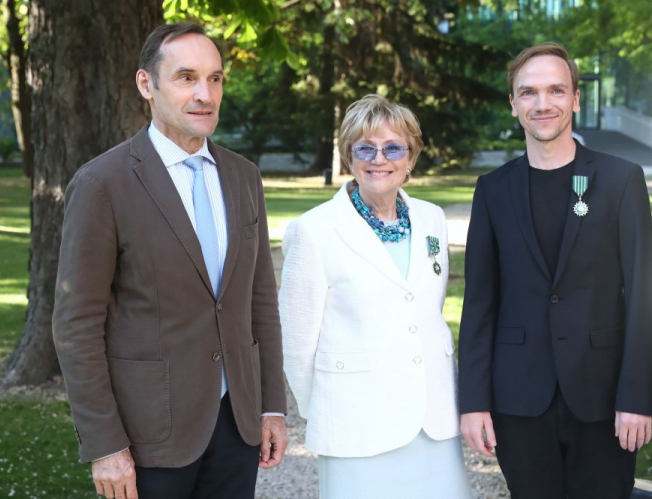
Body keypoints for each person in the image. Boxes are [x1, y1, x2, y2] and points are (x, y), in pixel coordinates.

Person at [52, 23, 288, 499]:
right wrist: (105, 446)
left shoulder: (244, 177)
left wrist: (272, 407)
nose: (205, 94)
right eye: (186, 78)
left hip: (236, 427)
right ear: (147, 84)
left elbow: (259, 302)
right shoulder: (103, 184)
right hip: (147, 438)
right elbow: (76, 324)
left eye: (216, 78)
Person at [458, 43, 652, 499]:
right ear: (513, 104)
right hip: (518, 401)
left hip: (604, 400)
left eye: (556, 90)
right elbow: (480, 303)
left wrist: (636, 398)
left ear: (575, 99)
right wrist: (473, 403)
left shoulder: (621, 179)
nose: (542, 103)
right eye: (528, 92)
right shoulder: (493, 189)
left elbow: (642, 296)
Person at [279, 94, 472, 498]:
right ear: (350, 157)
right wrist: (331, 408)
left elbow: (427, 311)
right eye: (365, 148)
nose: (378, 159)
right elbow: (296, 344)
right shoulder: (313, 230)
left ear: (411, 158)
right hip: (357, 423)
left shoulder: (432, 218)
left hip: (433, 420)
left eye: (393, 148)